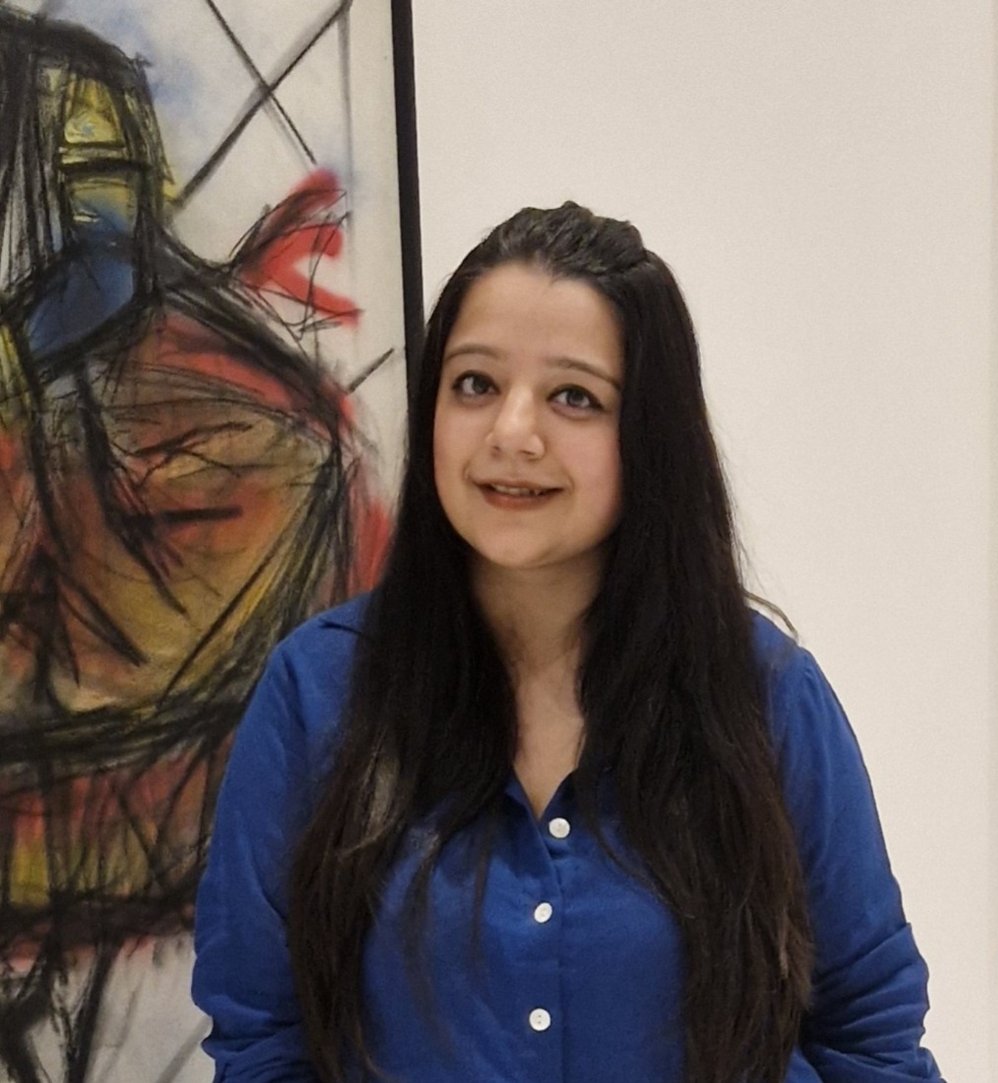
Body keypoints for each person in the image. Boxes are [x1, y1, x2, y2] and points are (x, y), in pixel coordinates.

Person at [191, 203, 944, 1082]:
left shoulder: (766, 694)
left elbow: (869, 1032)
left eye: (574, 397)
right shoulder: (318, 692)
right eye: (475, 383)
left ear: (650, 433)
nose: (512, 432)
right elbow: (262, 1036)